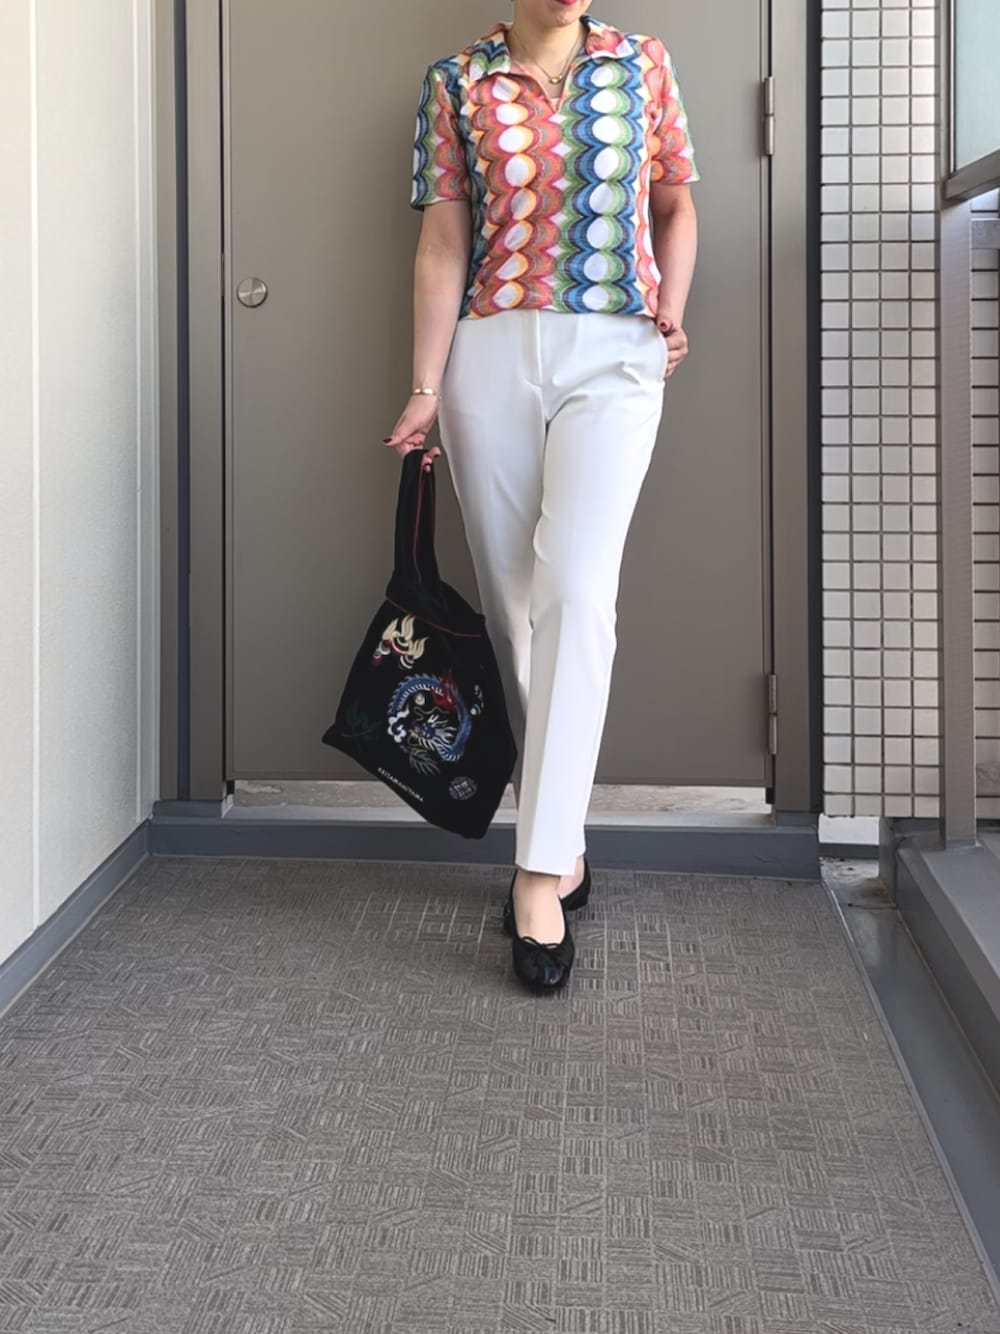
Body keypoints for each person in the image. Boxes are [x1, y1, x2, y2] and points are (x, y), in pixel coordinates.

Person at [383, 0, 699, 993]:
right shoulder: (456, 81)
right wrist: (425, 385)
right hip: (488, 354)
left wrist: (671, 314)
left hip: (616, 352)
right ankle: (565, 841)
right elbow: (444, 241)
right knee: (513, 604)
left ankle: (533, 872)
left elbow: (675, 205)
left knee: (576, 591)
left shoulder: (643, 64)